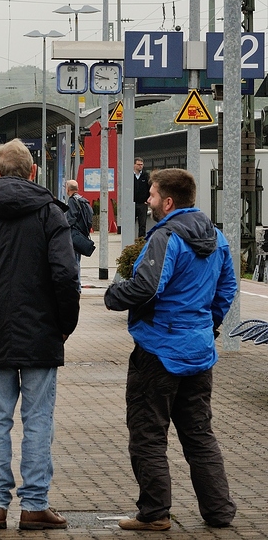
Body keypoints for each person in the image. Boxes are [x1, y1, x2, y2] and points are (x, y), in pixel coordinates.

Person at [0, 138, 80, 531]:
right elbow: (66, 274)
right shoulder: (50, 213)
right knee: (38, 420)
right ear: (33, 172)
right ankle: (34, 506)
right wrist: (64, 325)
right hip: (42, 335)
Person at [103, 168, 237, 531]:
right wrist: (206, 326)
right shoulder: (217, 238)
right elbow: (227, 289)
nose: (147, 200)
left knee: (148, 434)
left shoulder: (166, 237)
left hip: (158, 351)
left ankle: (155, 513)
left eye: (151, 194)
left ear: (168, 201)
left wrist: (112, 296)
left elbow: (147, 287)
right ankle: (219, 511)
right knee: (199, 434)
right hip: (198, 351)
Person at [65, 179, 92, 288]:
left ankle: (76, 286)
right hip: (81, 235)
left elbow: (70, 218)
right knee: (77, 261)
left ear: (67, 189)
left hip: (74, 235)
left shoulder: (72, 201)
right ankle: (77, 285)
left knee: (74, 262)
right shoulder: (83, 200)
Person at [133, 157, 150, 238]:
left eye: (141, 165)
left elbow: (150, 188)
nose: (140, 166)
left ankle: (141, 240)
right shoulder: (130, 176)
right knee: (131, 223)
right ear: (134, 165)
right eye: (138, 164)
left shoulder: (146, 176)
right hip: (132, 203)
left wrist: (148, 199)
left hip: (143, 203)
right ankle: (130, 238)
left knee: (142, 224)